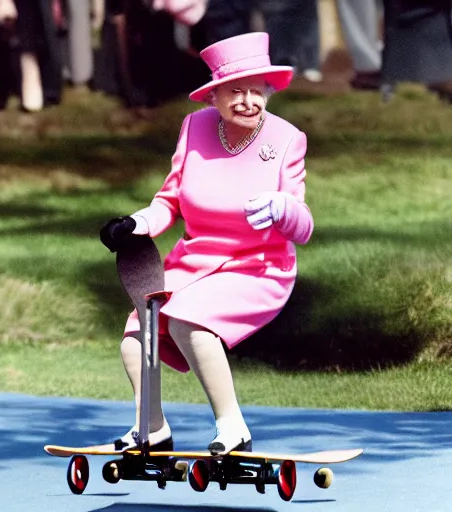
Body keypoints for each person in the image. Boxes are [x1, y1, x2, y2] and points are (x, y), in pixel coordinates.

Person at [100, 32, 314, 455]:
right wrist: (135, 224)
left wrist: (281, 206)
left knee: (187, 319)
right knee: (136, 333)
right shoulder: (194, 127)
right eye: (236, 91)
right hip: (196, 262)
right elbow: (169, 201)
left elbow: (303, 228)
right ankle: (152, 429)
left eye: (258, 91)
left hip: (259, 267)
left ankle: (233, 429)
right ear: (213, 96)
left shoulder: (287, 139)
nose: (249, 101)